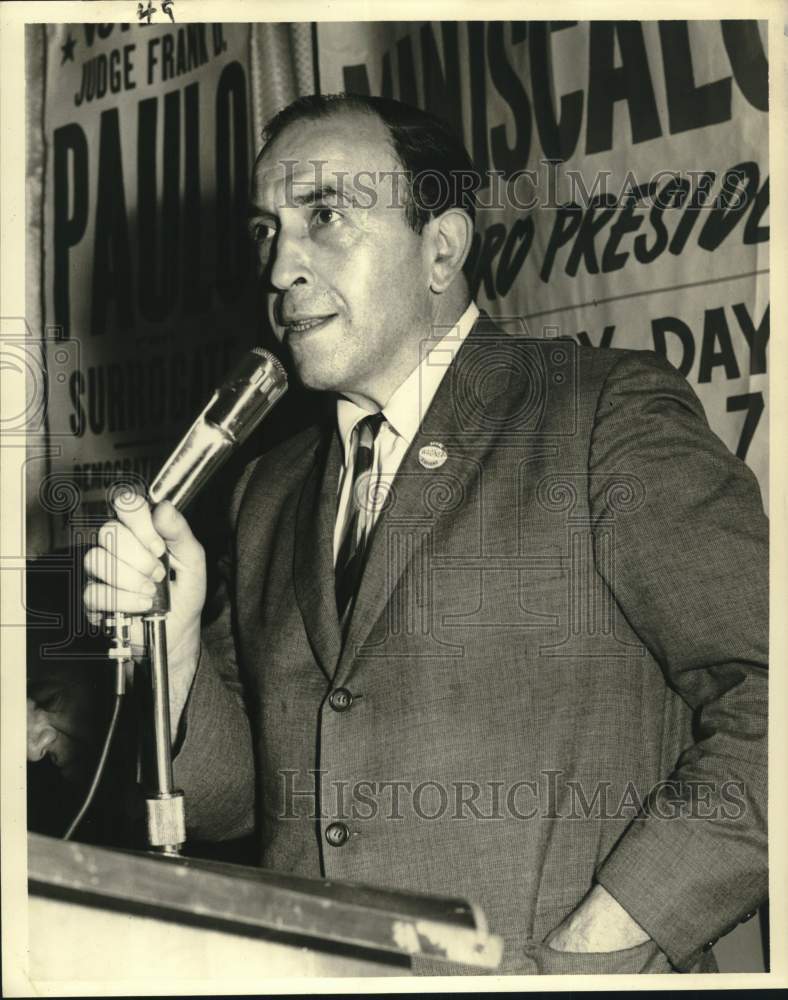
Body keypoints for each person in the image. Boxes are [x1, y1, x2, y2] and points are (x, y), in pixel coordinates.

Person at [82, 94, 768, 975]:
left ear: (440, 248)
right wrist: (174, 649)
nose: (280, 266)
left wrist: (587, 956)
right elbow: (237, 802)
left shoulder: (601, 416)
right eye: (266, 232)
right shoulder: (266, 491)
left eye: (325, 215)